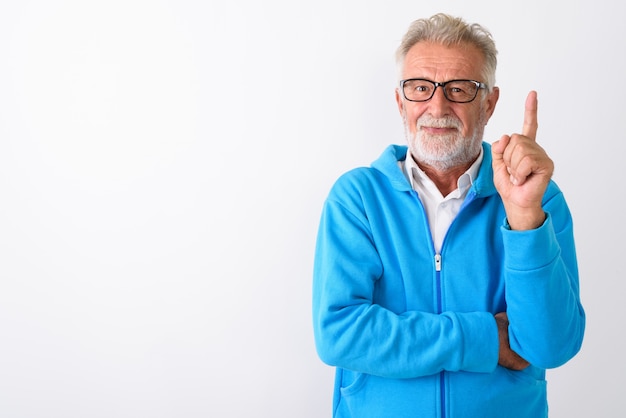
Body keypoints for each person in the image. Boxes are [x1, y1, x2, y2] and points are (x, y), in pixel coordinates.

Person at [312, 13, 585, 418]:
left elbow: (551, 345)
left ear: (489, 103)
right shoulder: (358, 198)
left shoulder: (538, 198)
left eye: (460, 89)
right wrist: (485, 339)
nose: (437, 106)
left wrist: (525, 217)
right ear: (400, 100)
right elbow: (340, 334)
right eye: (420, 88)